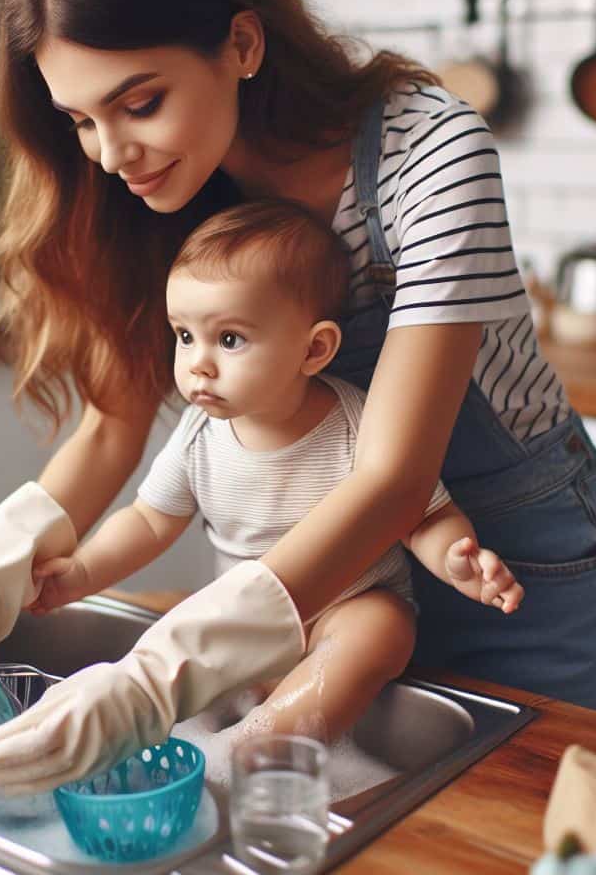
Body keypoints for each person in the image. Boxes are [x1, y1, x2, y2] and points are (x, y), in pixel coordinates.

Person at [0, 0, 596, 797]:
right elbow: (110, 431)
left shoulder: (432, 155)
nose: (108, 154)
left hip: (510, 566)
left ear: (242, 45)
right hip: (306, 603)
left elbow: (394, 478)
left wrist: (153, 677)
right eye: (79, 120)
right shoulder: (162, 193)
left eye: (139, 102)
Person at [26, 198, 524, 749]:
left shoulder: (358, 424)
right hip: (248, 628)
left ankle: (258, 745)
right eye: (184, 336)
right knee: (192, 631)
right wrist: (82, 573)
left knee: (382, 627)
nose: (198, 363)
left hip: (347, 607)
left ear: (314, 350)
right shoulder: (199, 434)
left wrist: (455, 557)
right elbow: (147, 522)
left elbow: (421, 514)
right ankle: (211, 742)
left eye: (230, 339)